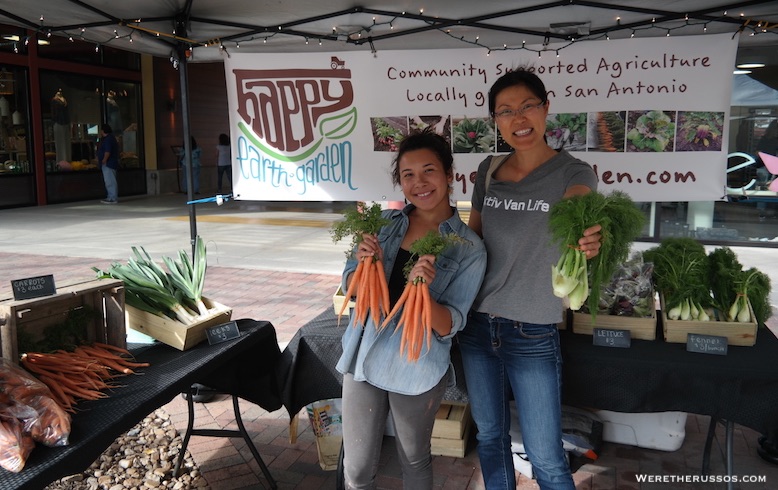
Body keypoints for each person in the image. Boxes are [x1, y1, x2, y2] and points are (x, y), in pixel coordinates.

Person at [457, 68, 602, 490]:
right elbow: (475, 241)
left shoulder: (573, 173)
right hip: (477, 324)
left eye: (527, 107)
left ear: (546, 109)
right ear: (495, 121)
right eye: (505, 112)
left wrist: (589, 236)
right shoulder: (488, 170)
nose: (518, 119)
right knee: (489, 437)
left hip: (532, 330)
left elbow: (580, 215)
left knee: (546, 457)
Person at [336, 129, 487, 489]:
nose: (419, 183)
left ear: (449, 175)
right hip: (364, 356)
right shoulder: (384, 226)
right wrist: (362, 265)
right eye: (408, 175)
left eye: (428, 171)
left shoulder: (469, 248)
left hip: (417, 363)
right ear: (399, 182)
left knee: (414, 458)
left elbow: (451, 324)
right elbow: (348, 286)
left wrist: (424, 291)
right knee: (356, 469)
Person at [97, 123, 119, 204]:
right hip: (110, 162)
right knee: (110, 180)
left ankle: (112, 198)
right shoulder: (111, 138)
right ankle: (111, 196)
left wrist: (104, 160)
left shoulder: (108, 139)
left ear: (103, 131)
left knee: (110, 180)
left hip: (108, 163)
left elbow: (107, 151)